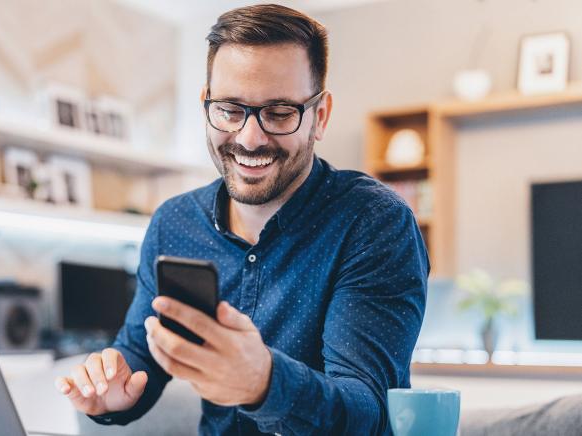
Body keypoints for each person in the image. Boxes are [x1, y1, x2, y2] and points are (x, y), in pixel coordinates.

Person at [56, 4, 428, 435]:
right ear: (206, 105)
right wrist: (110, 393)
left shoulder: (373, 222)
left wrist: (264, 383)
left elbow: (368, 412)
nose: (250, 138)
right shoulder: (174, 224)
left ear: (319, 117)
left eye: (280, 112)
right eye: (231, 109)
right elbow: (141, 354)